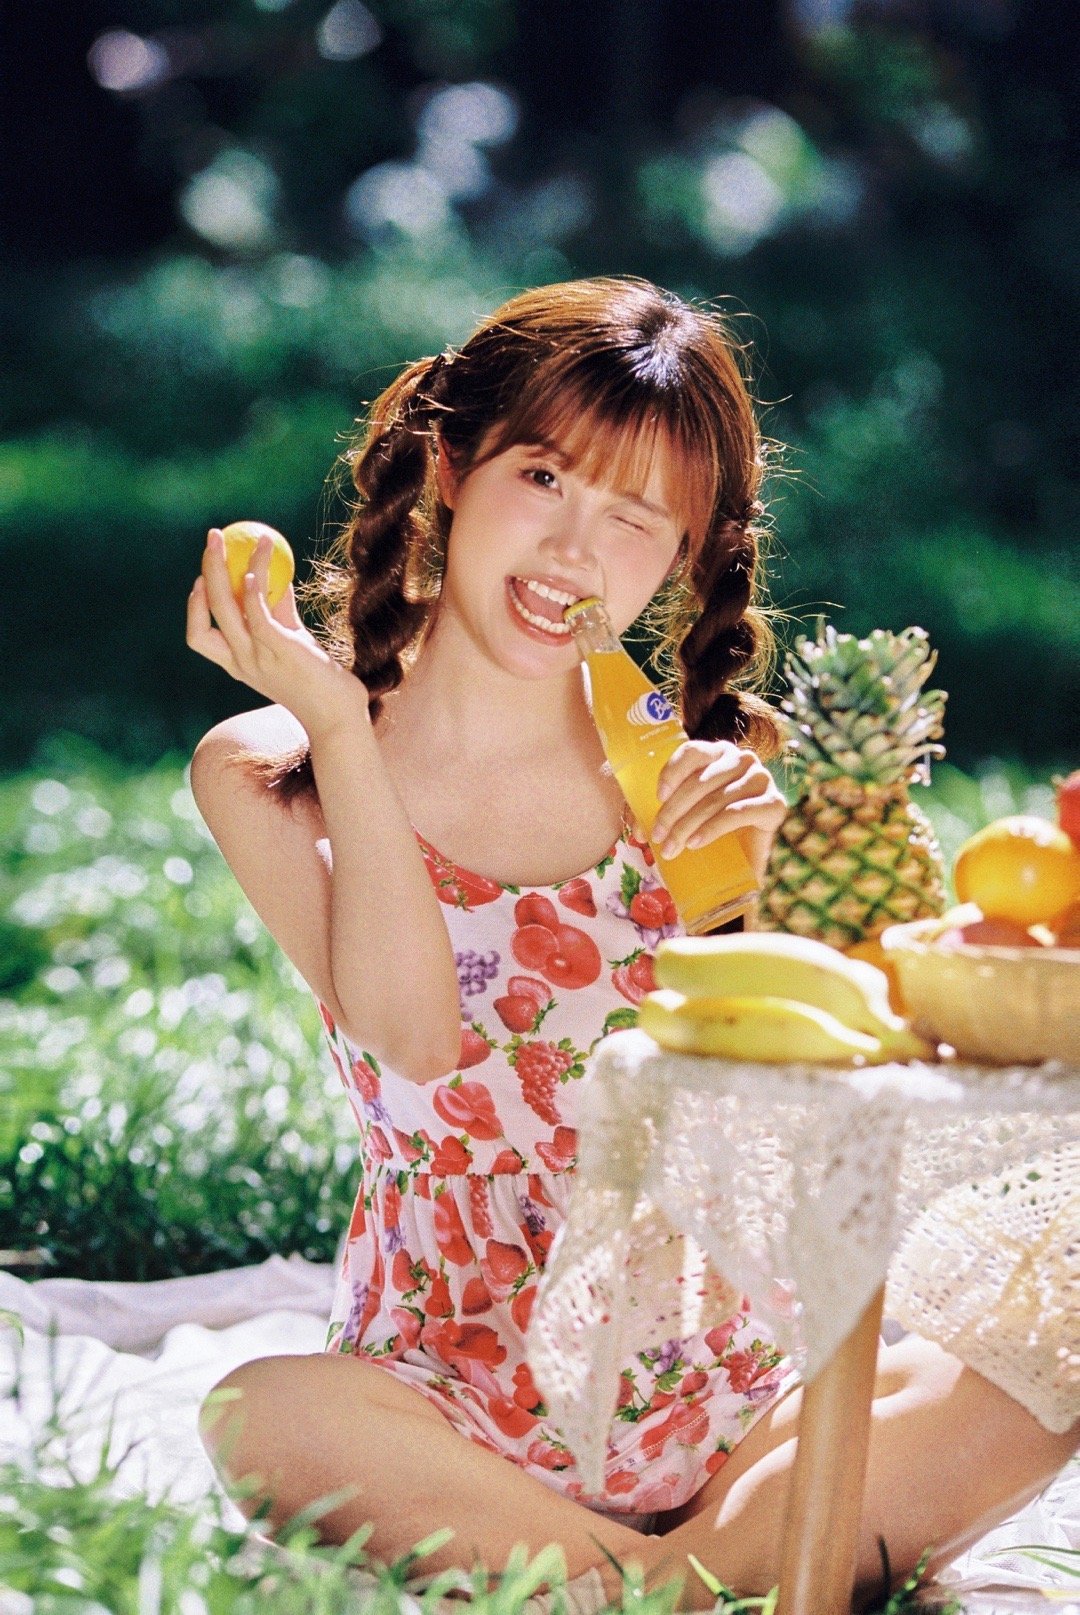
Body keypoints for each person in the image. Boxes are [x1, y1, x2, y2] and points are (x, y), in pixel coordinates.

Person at [188, 276, 1077, 1613]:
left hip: (739, 1392)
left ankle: (637, 1584)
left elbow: (868, 1079)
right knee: (260, 1412)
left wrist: (779, 884)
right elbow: (416, 1042)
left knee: (1053, 1342)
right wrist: (338, 724)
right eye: (542, 478)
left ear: (686, 552)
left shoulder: (713, 765)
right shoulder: (275, 769)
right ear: (451, 465)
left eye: (634, 517)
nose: (571, 553)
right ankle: (724, 1579)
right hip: (449, 1402)